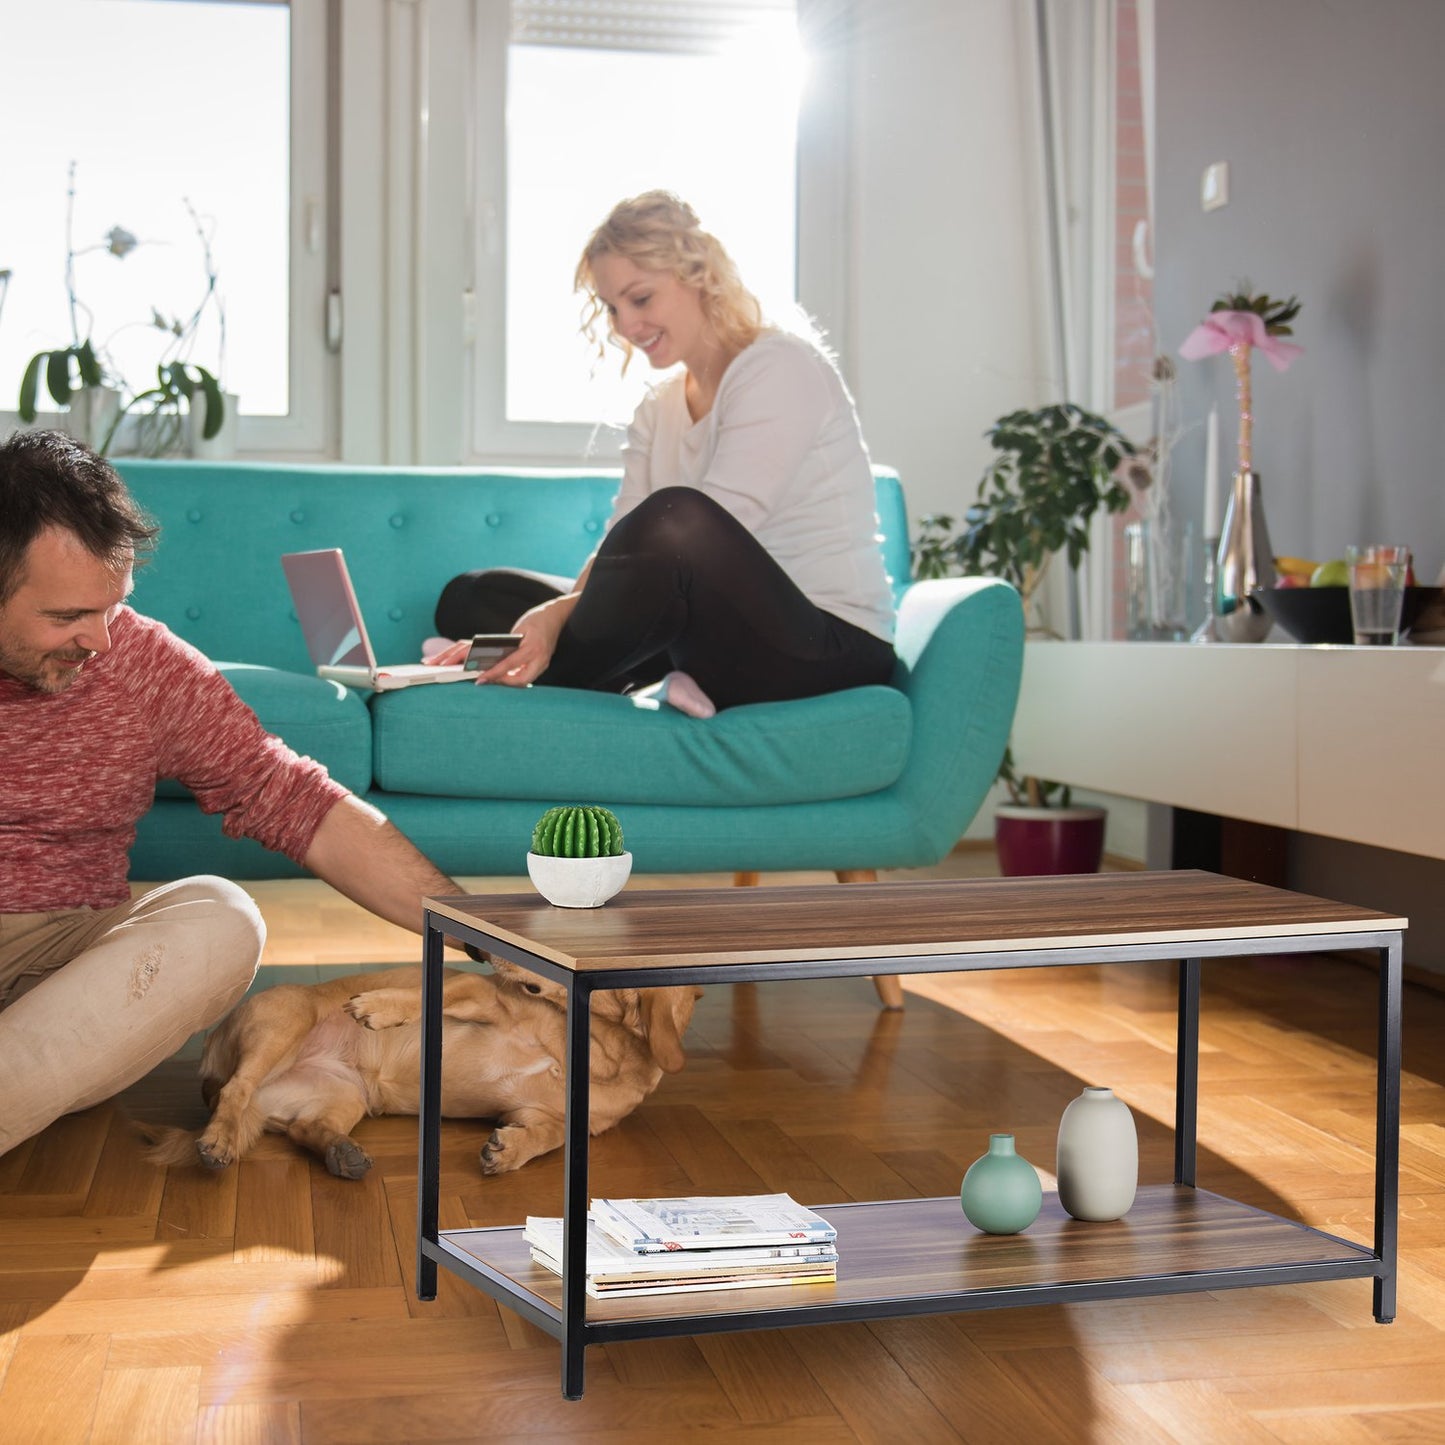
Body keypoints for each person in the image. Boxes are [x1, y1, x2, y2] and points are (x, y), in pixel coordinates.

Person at [0, 429, 464, 1157]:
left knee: (224, 917)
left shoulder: (143, 663)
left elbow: (293, 799)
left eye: (112, 607)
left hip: (76, 978)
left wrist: (484, 930)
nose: (100, 642)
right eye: (66, 617)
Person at [429, 190, 897, 717]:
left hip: (823, 648)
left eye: (641, 298)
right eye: (611, 307)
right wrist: (551, 612)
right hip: (706, 635)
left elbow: (701, 540)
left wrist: (558, 617)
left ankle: (535, 667)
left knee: (678, 522)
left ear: (698, 274)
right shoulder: (660, 405)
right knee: (472, 596)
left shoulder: (778, 367)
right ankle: (586, 669)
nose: (625, 326)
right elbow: (619, 545)